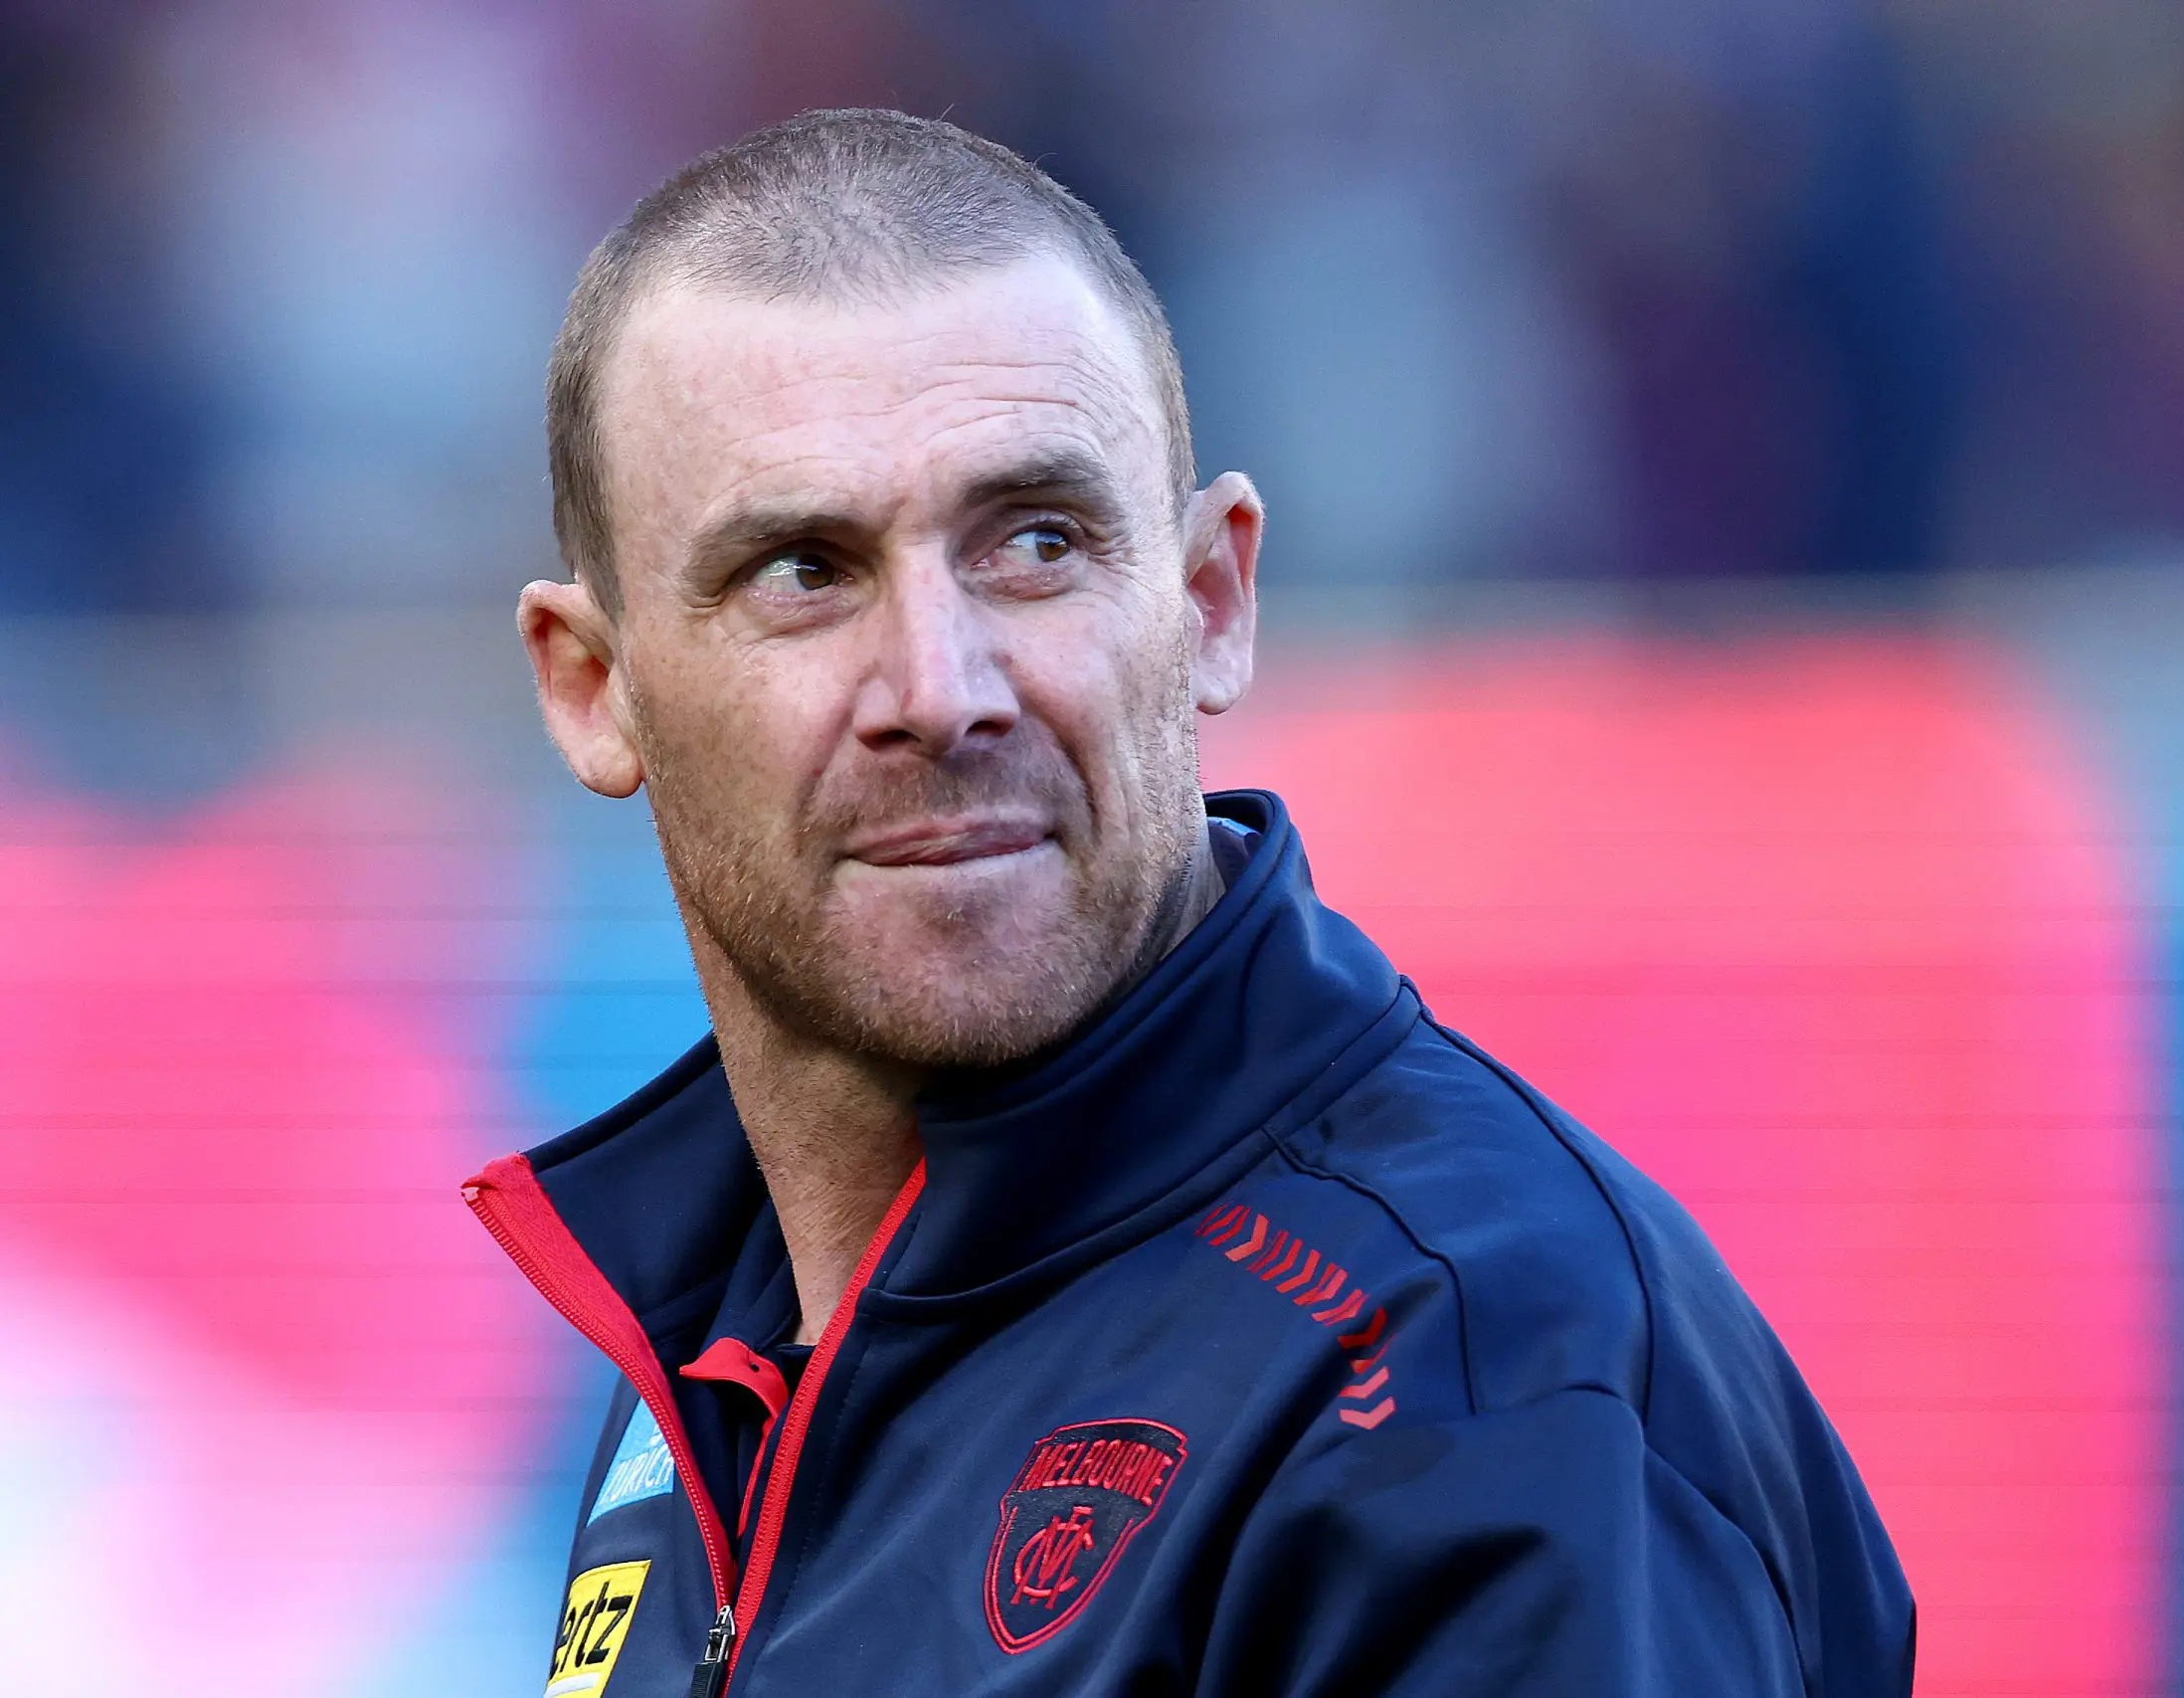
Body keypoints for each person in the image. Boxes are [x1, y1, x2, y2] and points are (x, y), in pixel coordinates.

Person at [470, 107, 1913, 1697]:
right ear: (595, 687)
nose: (941, 690)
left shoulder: (1478, 1380)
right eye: (804, 571)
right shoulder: (732, 1340)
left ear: (1211, 602)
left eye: (1035, 542)